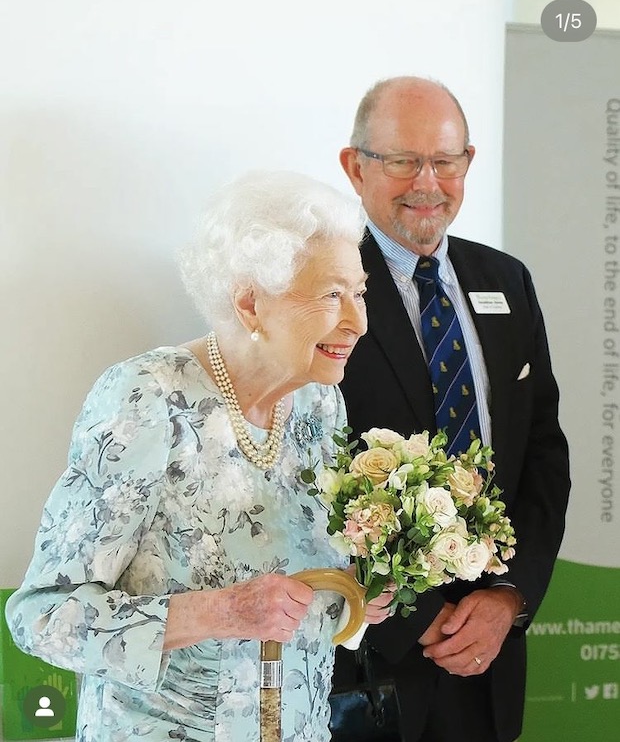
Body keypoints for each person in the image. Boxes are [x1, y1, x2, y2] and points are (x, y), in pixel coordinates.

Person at [6, 171, 392, 742]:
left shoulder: (319, 403)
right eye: (332, 295)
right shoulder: (147, 399)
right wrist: (221, 612)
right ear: (250, 303)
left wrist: (357, 594)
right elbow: (43, 618)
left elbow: (294, 597)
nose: (358, 322)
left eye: (358, 293)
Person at [332, 77, 571, 742]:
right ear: (355, 167)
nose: (426, 182)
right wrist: (414, 614)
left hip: (490, 655)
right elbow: (295, 474)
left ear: (468, 162)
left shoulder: (507, 281)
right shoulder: (317, 286)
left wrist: (510, 598)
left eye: (444, 161)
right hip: (370, 659)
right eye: (402, 160)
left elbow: (543, 453)